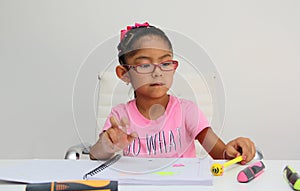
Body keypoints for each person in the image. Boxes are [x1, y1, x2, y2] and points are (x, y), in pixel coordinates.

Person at [90, 22, 256, 164]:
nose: (157, 72)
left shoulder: (187, 112)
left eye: (166, 63)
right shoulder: (120, 116)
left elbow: (221, 154)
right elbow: (95, 156)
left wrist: (234, 150)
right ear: (124, 74)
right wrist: (107, 145)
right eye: (145, 65)